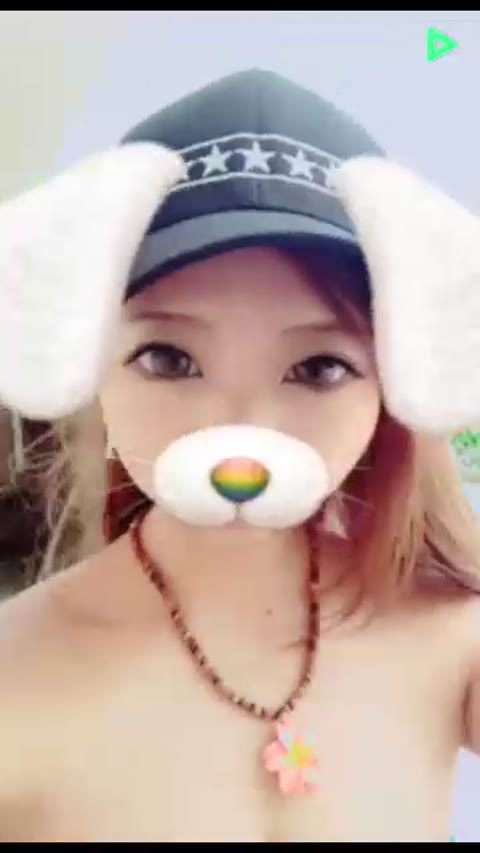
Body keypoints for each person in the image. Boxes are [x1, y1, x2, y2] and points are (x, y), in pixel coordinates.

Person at [0, 68, 479, 842]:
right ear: (94, 366)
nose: (241, 429)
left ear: (392, 386)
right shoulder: (13, 677)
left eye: (319, 367)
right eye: (168, 359)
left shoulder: (454, 635)